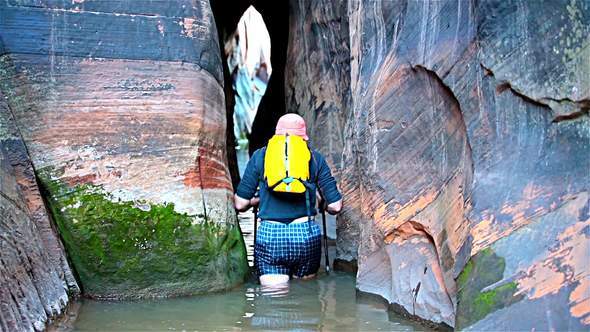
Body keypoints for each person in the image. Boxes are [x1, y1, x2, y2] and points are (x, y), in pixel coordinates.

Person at [234, 113, 342, 286]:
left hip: (271, 235)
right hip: (305, 234)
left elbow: (240, 204)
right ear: (303, 137)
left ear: (276, 134)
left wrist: (259, 199)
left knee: (274, 300)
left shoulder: (260, 157)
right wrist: (324, 205)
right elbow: (336, 206)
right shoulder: (314, 158)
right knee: (305, 296)